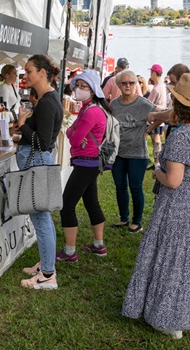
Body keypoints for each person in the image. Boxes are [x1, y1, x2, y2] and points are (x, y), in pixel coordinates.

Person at [122, 73, 190, 340]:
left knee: (174, 258)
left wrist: (156, 171)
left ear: (180, 104)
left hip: (181, 204)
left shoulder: (180, 137)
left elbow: (173, 181)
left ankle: (170, 320)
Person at [15, 55, 63, 290]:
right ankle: (46, 264)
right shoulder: (47, 99)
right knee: (43, 217)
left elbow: (42, 142)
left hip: (37, 161)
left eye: (29, 71)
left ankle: (47, 275)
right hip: (39, 161)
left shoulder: (45, 103)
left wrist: (23, 123)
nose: (26, 75)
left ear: (43, 73)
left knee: (41, 218)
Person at [55, 70, 109, 263]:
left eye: (83, 86)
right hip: (90, 163)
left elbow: (75, 138)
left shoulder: (91, 111)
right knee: (91, 202)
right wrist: (74, 131)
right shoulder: (90, 109)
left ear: (93, 90)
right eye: (77, 86)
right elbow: (75, 132)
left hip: (86, 163)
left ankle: (70, 252)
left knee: (67, 205)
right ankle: (98, 244)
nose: (78, 89)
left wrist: (73, 132)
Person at [109, 71, 158, 233]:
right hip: (118, 154)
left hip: (137, 154)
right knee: (120, 186)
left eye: (131, 82)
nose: (128, 86)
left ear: (136, 84)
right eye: (124, 83)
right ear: (118, 85)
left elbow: (160, 115)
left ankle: (137, 221)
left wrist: (149, 129)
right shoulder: (114, 105)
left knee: (135, 187)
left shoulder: (144, 104)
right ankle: (124, 218)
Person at [147, 64, 168, 166]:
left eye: (151, 72)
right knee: (157, 140)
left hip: (155, 117)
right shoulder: (162, 86)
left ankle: (157, 162)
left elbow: (148, 103)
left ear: (154, 73)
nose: (150, 75)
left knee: (156, 141)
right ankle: (157, 161)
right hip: (161, 117)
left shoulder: (156, 89)